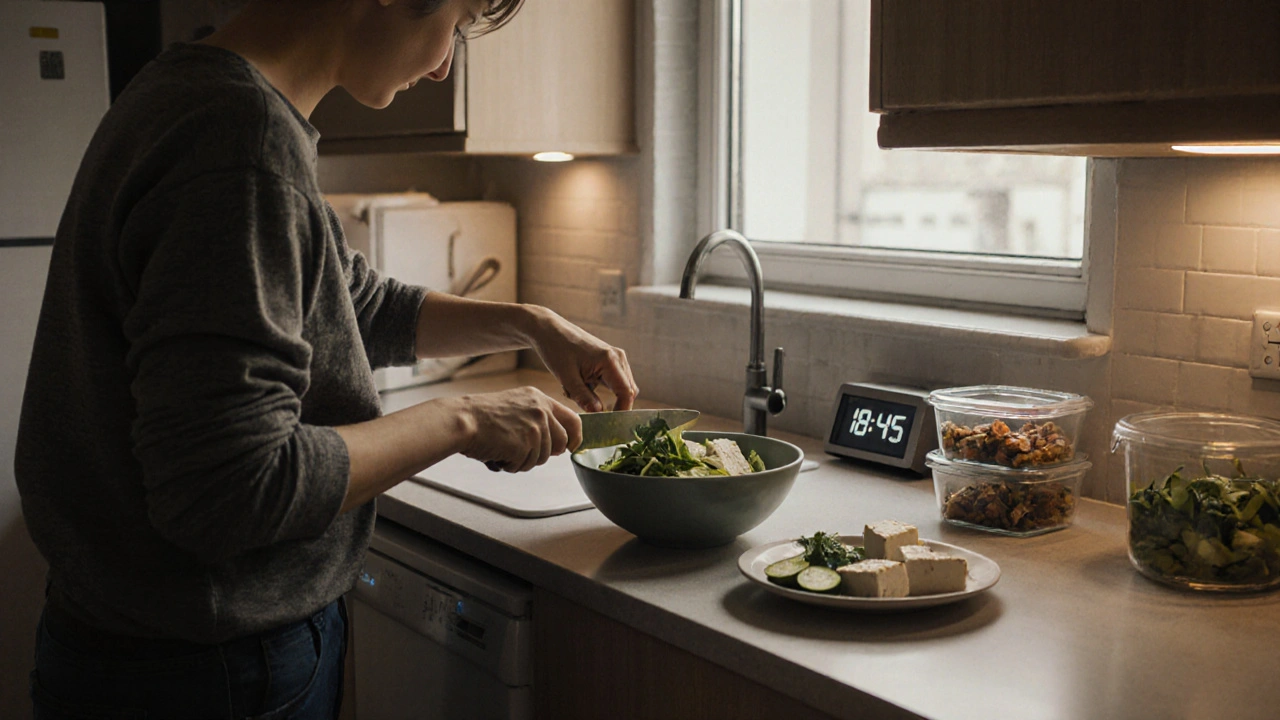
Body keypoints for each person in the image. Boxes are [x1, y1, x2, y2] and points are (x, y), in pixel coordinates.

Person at [15, 0, 637, 717]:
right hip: (206, 669)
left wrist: (532, 325)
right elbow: (231, 488)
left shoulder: (192, 91)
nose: (445, 66)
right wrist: (465, 419)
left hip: (145, 644)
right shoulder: (241, 141)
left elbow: (351, 305)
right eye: (459, 22)